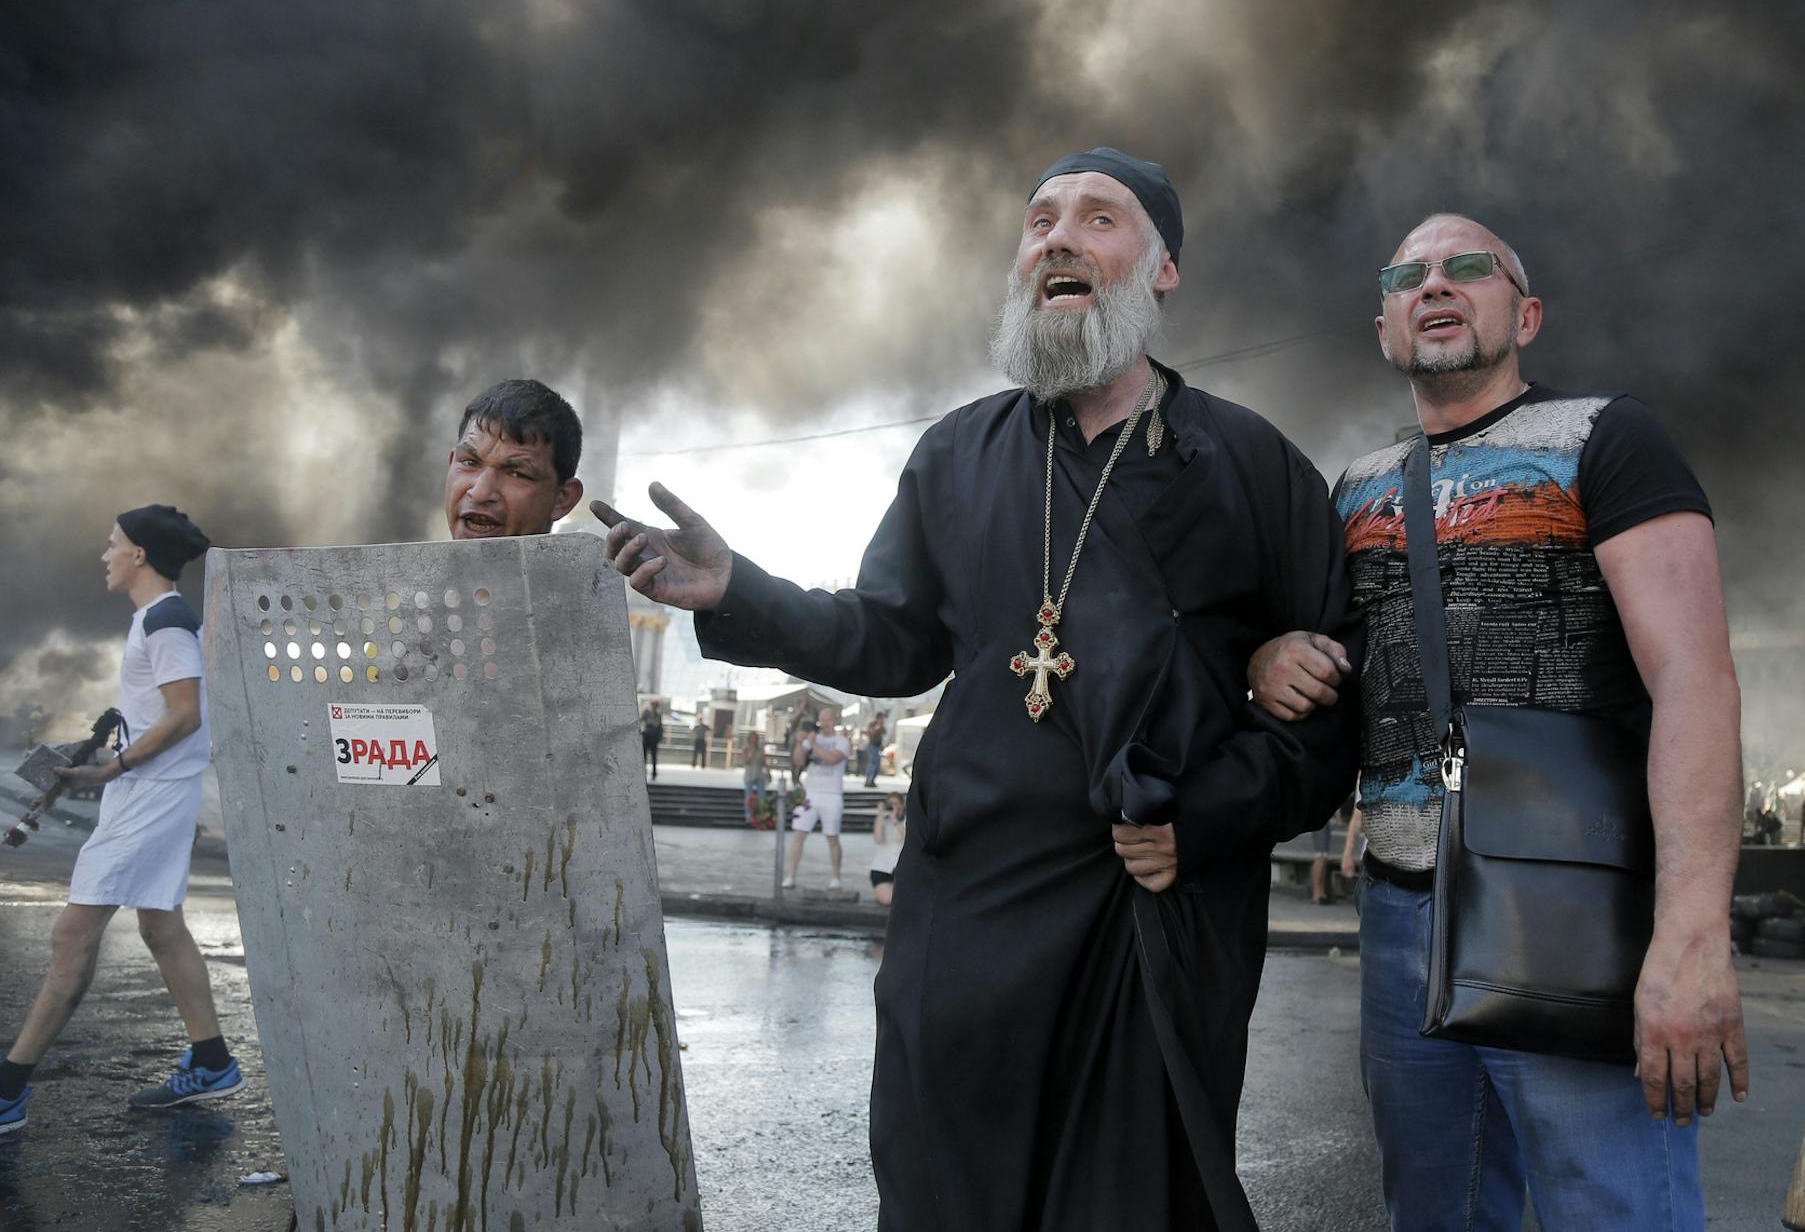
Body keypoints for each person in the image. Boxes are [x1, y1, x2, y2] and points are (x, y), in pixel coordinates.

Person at [591, 147, 1359, 1231]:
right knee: (945, 1188)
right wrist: (738, 592)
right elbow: (890, 640)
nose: (1059, 237)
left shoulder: (1249, 463)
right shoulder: (957, 455)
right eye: (1041, 219)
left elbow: (1332, 703)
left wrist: (1209, 815)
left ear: (1163, 268)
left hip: (1148, 903)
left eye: (1100, 220)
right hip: (969, 906)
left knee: (1126, 1205)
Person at [1249, 213, 1747, 1229]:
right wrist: (1270, 657)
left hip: (1570, 901)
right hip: (1402, 911)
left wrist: (1694, 931)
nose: (1435, 283)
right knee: (1436, 1210)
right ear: (1386, 328)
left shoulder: (1605, 436)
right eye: (1409, 275)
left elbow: (1695, 677)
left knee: (1612, 1208)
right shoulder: (1356, 488)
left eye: (1466, 267)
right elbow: (1331, 665)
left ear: (1523, 313)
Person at [1, 507, 242, 1136]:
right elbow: (170, 710)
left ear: (139, 555)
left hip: (147, 798)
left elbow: (185, 714)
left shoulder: (164, 620)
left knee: (70, 936)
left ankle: (8, 1090)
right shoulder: (157, 619)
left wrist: (115, 767)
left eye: (113, 545)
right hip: (154, 791)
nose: (104, 555)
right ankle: (212, 1060)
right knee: (162, 929)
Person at [442, 378, 585, 540]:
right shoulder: (412, 565)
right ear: (451, 463)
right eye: (470, 463)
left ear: (562, 498)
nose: (480, 493)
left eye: (516, 474)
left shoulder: (599, 565)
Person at [785, 707, 850, 890]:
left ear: (835, 721)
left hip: (832, 794)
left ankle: (836, 876)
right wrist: (799, 743)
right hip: (810, 793)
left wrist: (813, 745)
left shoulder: (842, 741)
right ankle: (791, 875)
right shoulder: (812, 739)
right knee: (799, 834)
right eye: (822, 719)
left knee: (832, 837)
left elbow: (831, 759)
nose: (825, 723)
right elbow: (798, 761)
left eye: (829, 719)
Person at [870, 792, 906, 906]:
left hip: (903, 868)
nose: (894, 807)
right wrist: (881, 815)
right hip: (882, 867)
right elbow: (878, 840)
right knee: (888, 900)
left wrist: (895, 821)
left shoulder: (909, 819)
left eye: (897, 803)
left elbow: (908, 839)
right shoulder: (882, 820)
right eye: (891, 804)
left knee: (902, 899)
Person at [740, 737, 771, 825]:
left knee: (762, 796)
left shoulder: (761, 749)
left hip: (759, 775)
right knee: (749, 796)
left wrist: (768, 772)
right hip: (749, 774)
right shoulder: (745, 749)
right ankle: (748, 816)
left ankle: (762, 815)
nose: (753, 742)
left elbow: (764, 762)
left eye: (755, 740)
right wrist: (750, 754)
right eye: (752, 740)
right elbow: (745, 762)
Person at [640, 700, 665, 780]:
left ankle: (654, 772)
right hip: (647, 735)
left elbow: (660, 726)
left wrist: (659, 737)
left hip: (654, 737)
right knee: (644, 755)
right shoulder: (647, 713)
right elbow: (641, 720)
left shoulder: (658, 715)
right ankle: (643, 771)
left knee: (654, 756)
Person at [862, 711, 887, 788]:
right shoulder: (872, 724)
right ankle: (868, 780)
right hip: (872, 746)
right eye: (881, 718)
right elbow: (871, 733)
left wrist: (881, 726)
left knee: (877, 765)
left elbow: (884, 732)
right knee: (872, 764)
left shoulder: (881, 725)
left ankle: (872, 780)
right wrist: (878, 726)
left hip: (877, 747)